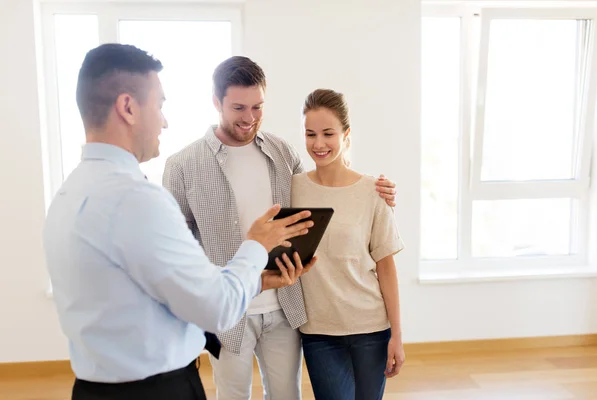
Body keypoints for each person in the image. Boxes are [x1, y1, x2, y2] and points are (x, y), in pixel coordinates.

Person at [42, 43, 315, 400]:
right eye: (159, 105)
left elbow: (166, 283)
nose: (164, 119)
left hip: (97, 386)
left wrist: (259, 279)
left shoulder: (69, 193)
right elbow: (216, 306)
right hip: (157, 388)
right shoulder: (137, 198)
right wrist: (256, 244)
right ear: (127, 107)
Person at [163, 56, 398, 400]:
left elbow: (324, 184)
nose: (249, 118)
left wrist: (376, 188)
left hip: (285, 308)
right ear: (216, 102)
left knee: (288, 395)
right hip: (229, 311)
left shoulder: (282, 152)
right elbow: (176, 248)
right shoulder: (183, 165)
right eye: (238, 108)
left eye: (257, 107)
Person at [292, 89, 405, 400]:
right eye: (310, 134)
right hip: (319, 332)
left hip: (370, 328)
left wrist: (397, 334)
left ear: (346, 134)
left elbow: (385, 265)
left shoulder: (373, 191)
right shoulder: (293, 189)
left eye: (328, 133)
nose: (318, 144)